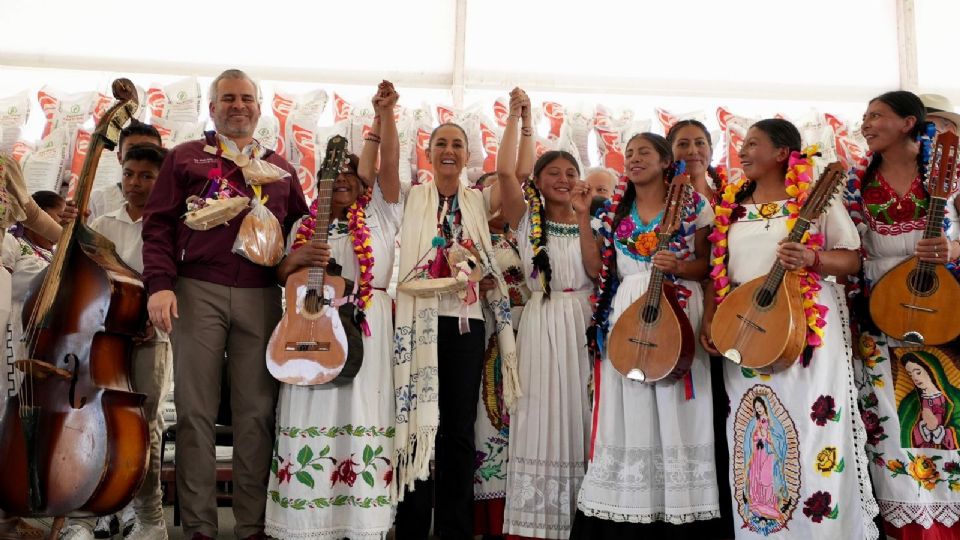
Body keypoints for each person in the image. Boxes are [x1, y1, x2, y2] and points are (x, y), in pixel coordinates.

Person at [142, 68, 309, 540]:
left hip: (261, 295)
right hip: (197, 290)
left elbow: (301, 230)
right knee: (195, 410)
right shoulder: (184, 158)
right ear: (212, 109)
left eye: (247, 98)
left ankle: (253, 524)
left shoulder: (280, 169)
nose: (239, 106)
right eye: (229, 98)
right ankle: (199, 526)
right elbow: (156, 226)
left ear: (259, 108)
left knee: (257, 411)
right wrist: (160, 284)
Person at [702, 118, 877, 539]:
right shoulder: (733, 206)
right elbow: (716, 271)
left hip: (805, 327)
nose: (742, 151)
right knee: (754, 432)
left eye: (753, 144)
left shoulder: (812, 199)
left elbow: (853, 258)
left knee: (811, 424)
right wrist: (711, 319)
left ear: (783, 153)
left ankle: (821, 531)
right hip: (746, 328)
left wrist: (813, 260)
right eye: (742, 144)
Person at [264, 81, 402, 540]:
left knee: (362, 413)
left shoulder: (379, 213)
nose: (341, 178)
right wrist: (294, 261)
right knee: (311, 408)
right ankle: (307, 521)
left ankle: (359, 522)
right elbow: (283, 279)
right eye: (332, 173)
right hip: (310, 329)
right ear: (320, 181)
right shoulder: (305, 224)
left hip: (368, 326)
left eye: (350, 172)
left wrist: (383, 116)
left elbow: (389, 167)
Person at [572, 133, 718, 539]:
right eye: (630, 153)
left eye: (644, 153)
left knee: (679, 408)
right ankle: (630, 506)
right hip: (627, 311)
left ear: (665, 160)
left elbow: (708, 265)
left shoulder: (695, 204)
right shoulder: (616, 212)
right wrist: (584, 217)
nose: (634, 159)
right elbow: (594, 268)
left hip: (677, 307)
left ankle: (683, 509)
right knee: (628, 410)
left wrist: (680, 267)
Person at [392, 116, 521, 539]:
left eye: (457, 145)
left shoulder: (479, 201)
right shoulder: (412, 198)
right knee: (416, 423)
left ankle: (454, 529)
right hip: (419, 323)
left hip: (465, 326)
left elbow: (509, 174)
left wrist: (519, 118)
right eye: (441, 144)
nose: (449, 151)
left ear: (467, 156)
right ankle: (411, 527)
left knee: (458, 429)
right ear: (428, 155)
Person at [845, 91, 960, 540]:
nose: (866, 123)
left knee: (947, 420)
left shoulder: (947, 174)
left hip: (941, 312)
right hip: (878, 312)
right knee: (889, 424)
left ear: (909, 122)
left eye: (876, 115)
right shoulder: (855, 182)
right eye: (865, 115)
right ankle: (902, 527)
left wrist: (952, 247)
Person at [495, 88, 595, 540]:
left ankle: (582, 515)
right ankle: (535, 525)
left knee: (582, 413)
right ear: (536, 181)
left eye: (570, 172)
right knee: (538, 412)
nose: (562, 178)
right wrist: (522, 117)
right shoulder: (524, 216)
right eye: (552, 172)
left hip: (583, 321)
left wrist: (585, 215)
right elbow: (505, 171)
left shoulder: (592, 218)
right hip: (539, 320)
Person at [0, 158, 69, 540]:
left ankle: (5, 520)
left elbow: (31, 213)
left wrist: (68, 239)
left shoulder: (4, 166)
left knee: (2, 401)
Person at [88, 120, 162, 223]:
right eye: (132, 150)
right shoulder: (98, 200)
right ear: (119, 157)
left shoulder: (172, 203)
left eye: (148, 150)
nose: (139, 154)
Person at [666, 119, 724, 201]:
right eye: (683, 144)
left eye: (700, 143)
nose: (692, 151)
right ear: (669, 153)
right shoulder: (658, 199)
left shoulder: (731, 198)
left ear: (711, 152)